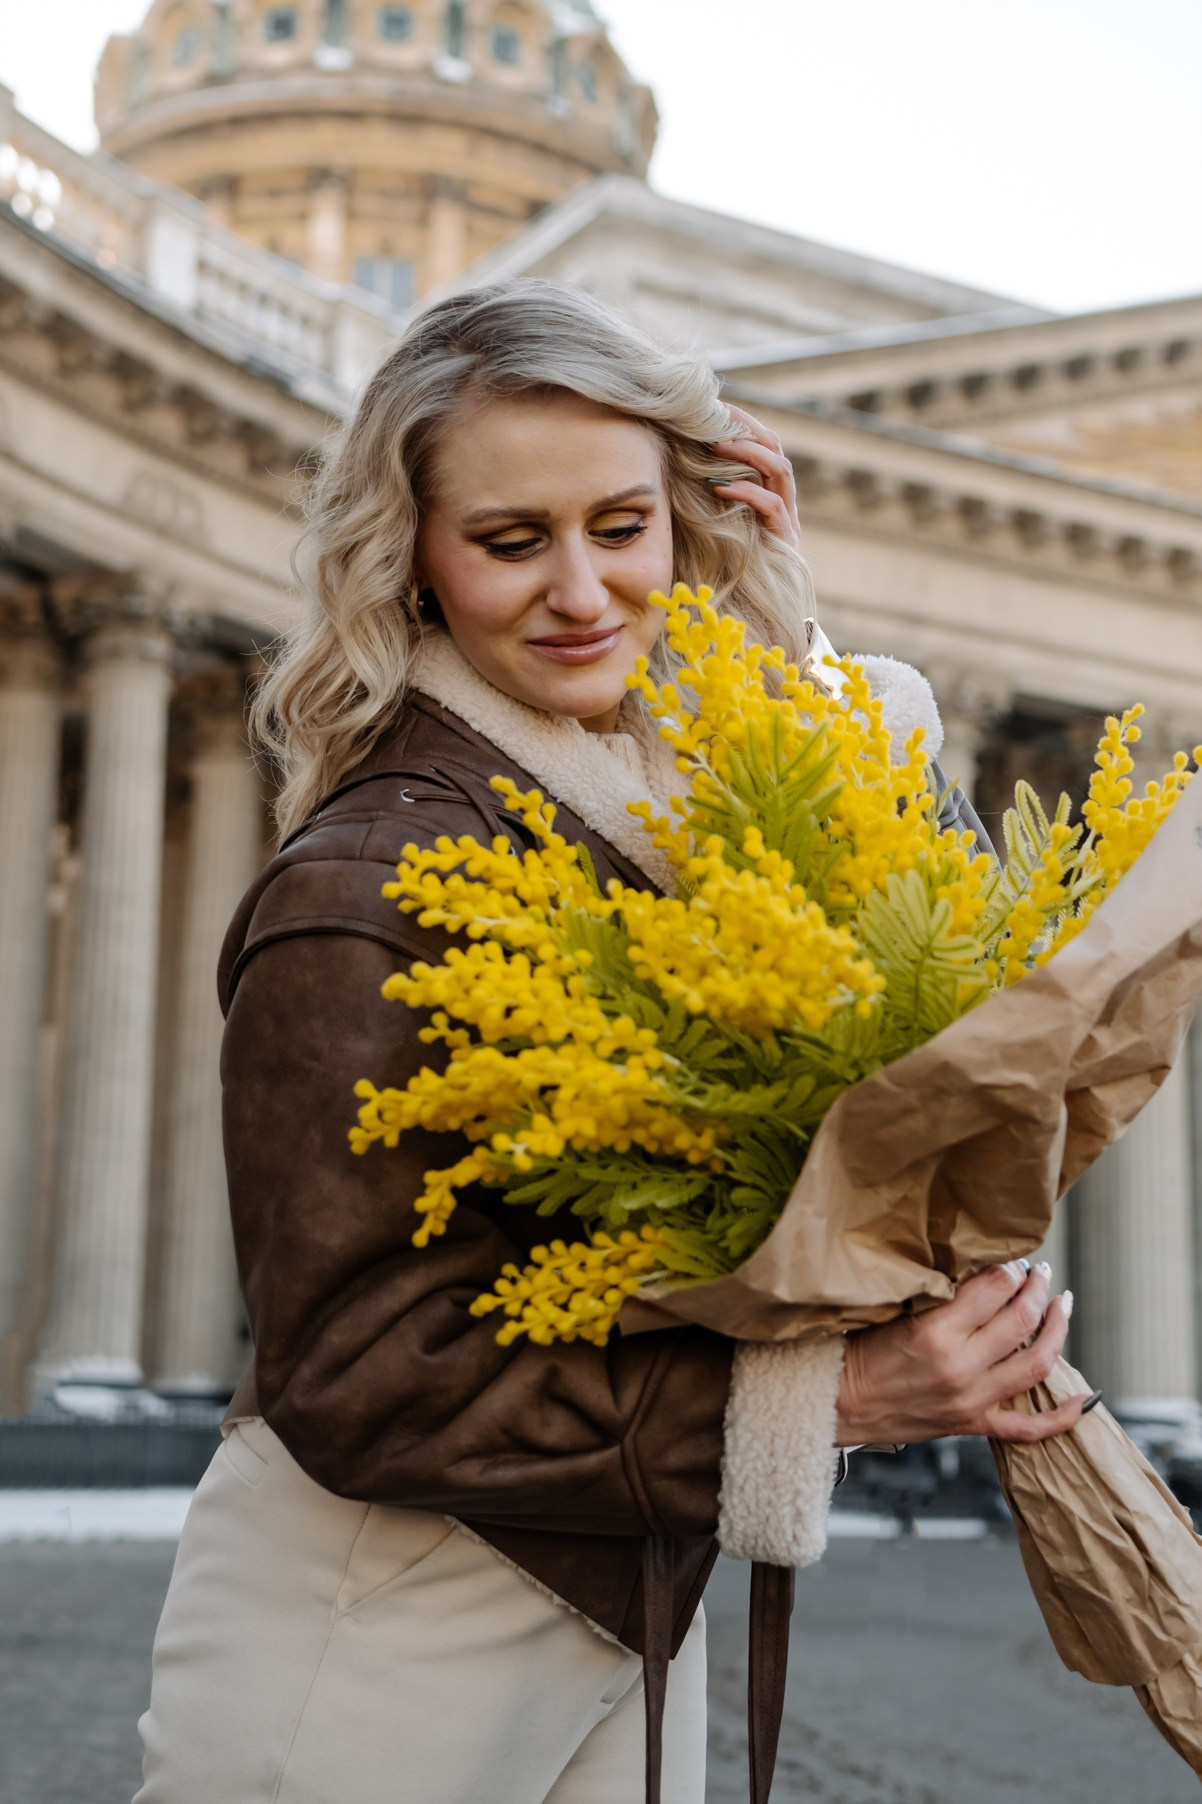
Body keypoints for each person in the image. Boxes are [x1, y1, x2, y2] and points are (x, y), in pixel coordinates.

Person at [134, 279, 1089, 1804]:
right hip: (372, 1630)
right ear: (416, 561)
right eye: (511, 541)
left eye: (622, 527)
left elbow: (969, 983)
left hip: (623, 1604)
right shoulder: (359, 888)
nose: (582, 591)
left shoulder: (639, 811)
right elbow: (359, 1371)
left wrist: (789, 635)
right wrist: (829, 1404)